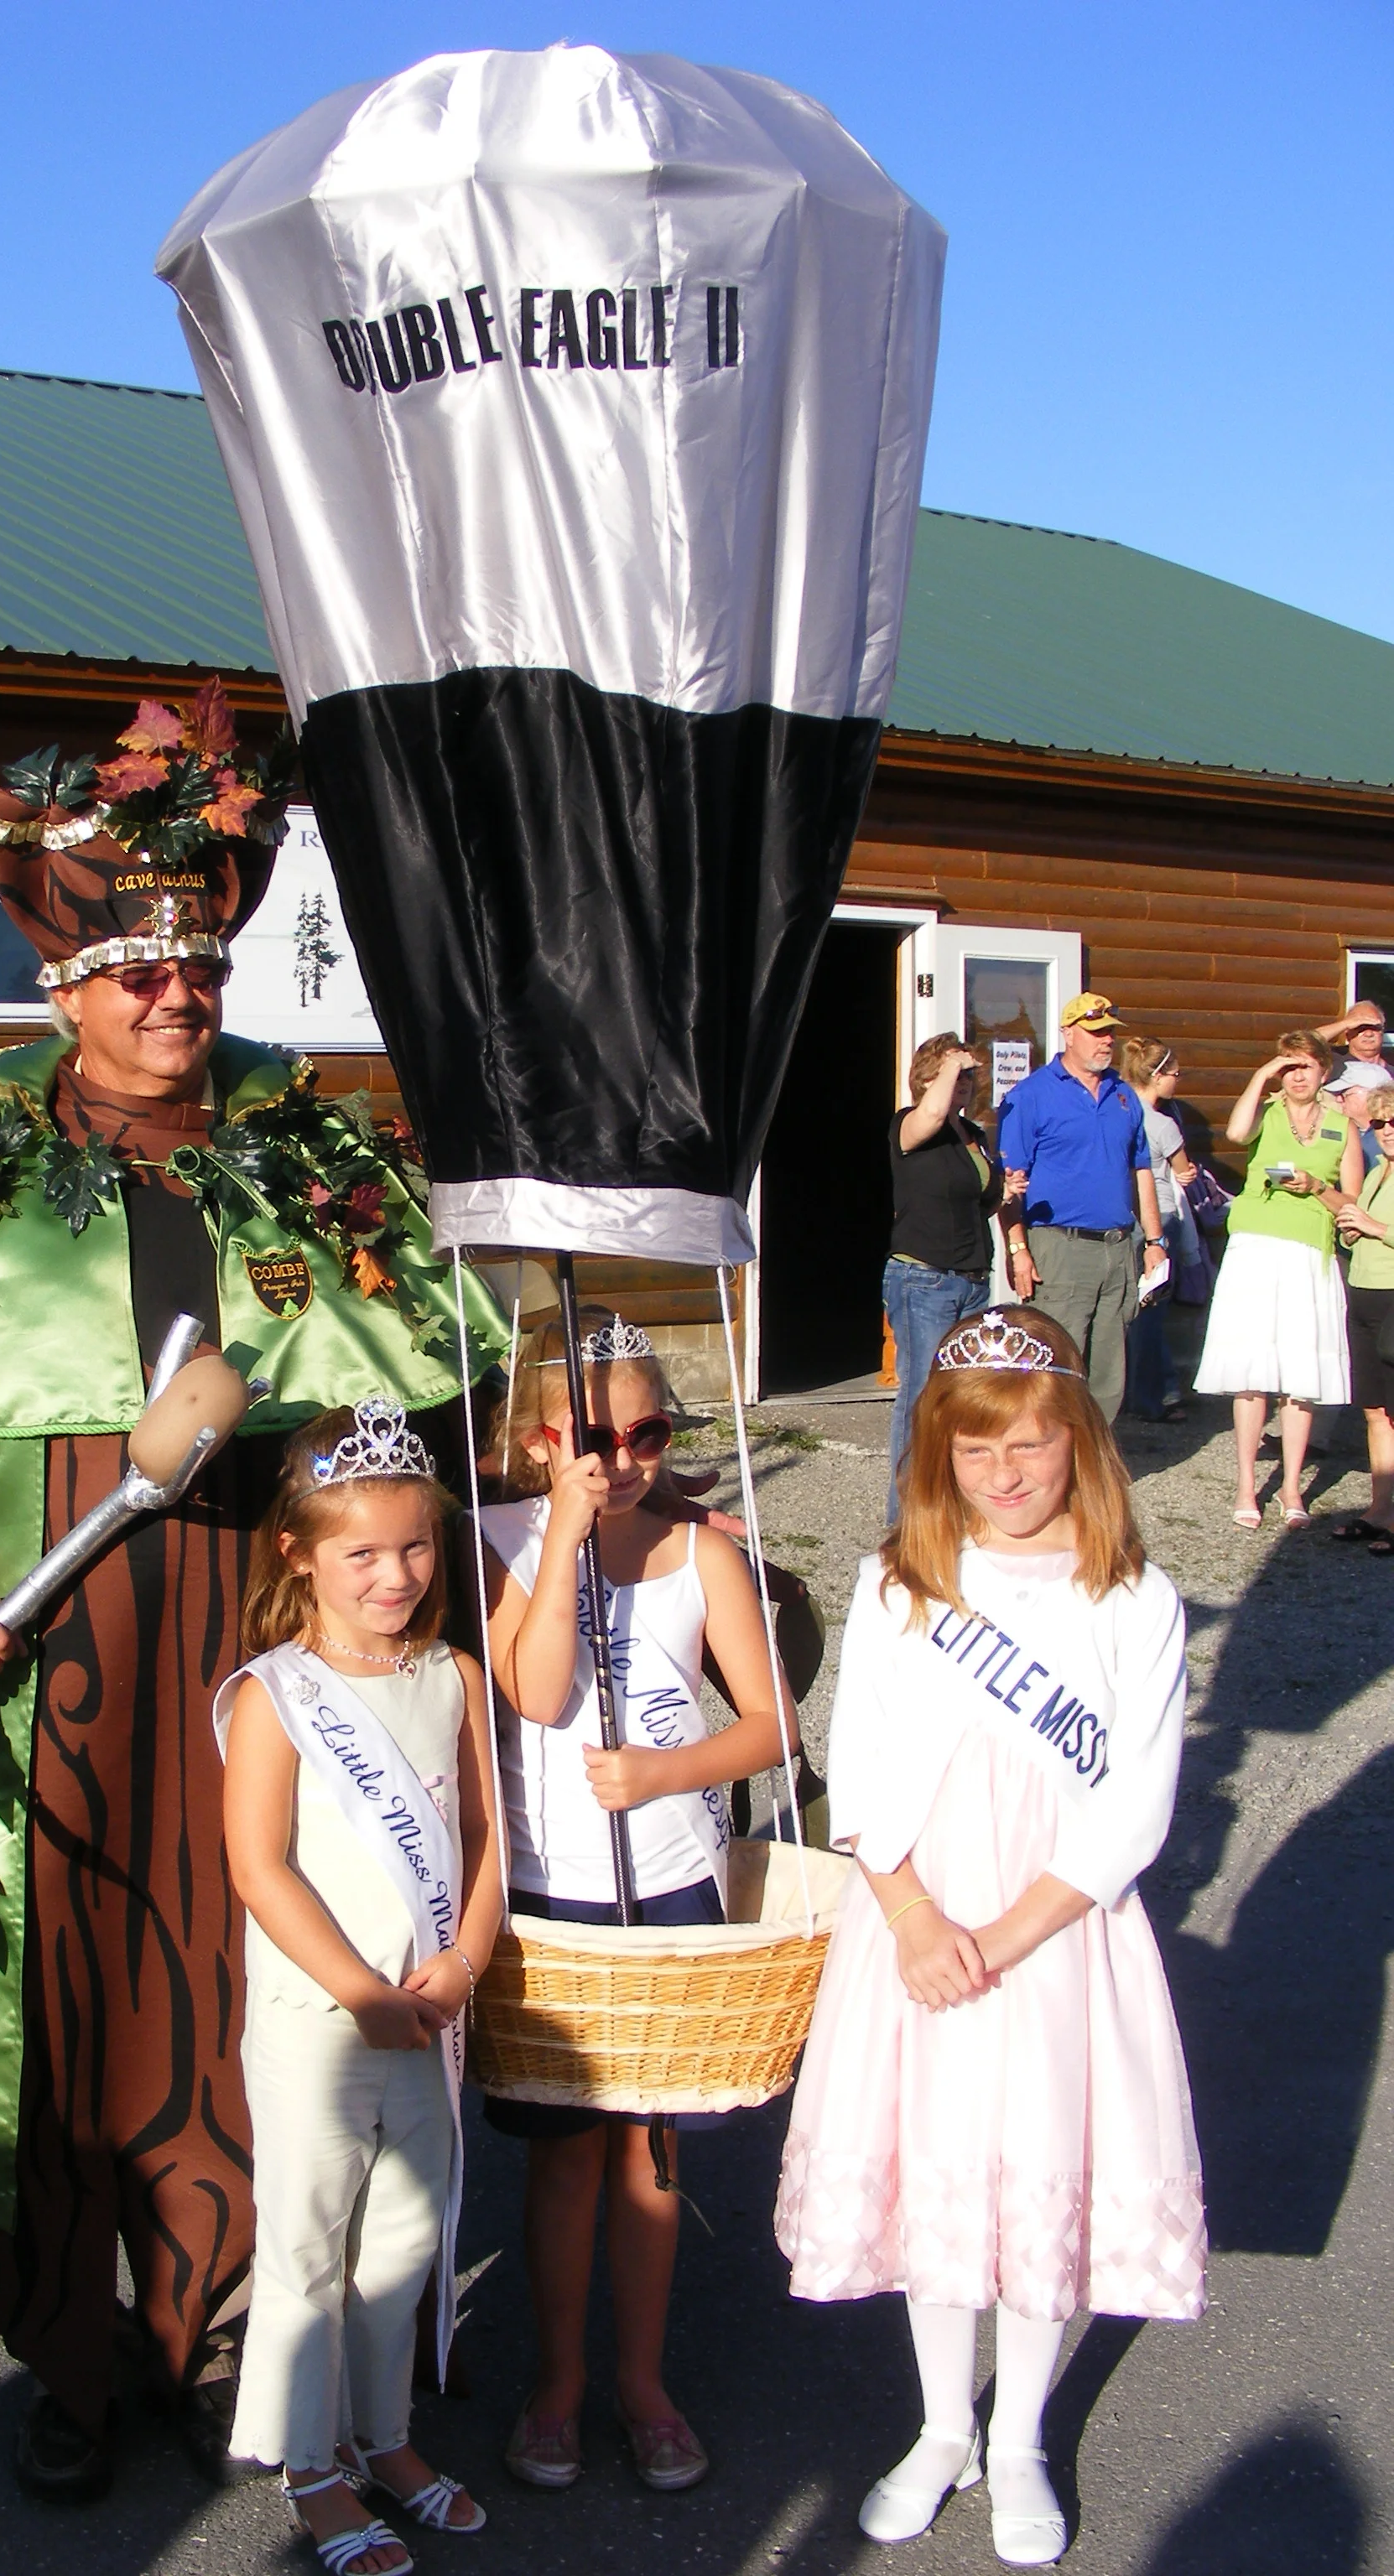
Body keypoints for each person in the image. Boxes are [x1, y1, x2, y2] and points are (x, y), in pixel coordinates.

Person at [0, 699, 502, 2501]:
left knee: (257, 2002)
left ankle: (231, 2330)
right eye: (135, 975)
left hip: (263, 1684)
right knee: (73, 2014)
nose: (175, 1003)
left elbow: (421, 1428)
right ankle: (81, 2365)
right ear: (67, 989)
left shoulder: (316, 1167)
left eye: (195, 972)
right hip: (50, 1690)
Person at [776, 1306, 1204, 2568]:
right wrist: (910, 1918)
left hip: (1054, 1930)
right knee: (937, 2159)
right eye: (976, 1453)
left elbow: (1137, 1803)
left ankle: (1015, 2434)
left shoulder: (1133, 1597)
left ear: (1079, 1439)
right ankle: (936, 2429)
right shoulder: (900, 1580)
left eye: (1030, 1444)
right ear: (937, 1456)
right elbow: (855, 1762)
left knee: (1036, 2160)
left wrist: (1007, 1936)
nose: (1006, 1474)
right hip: (918, 1924)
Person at [477, 1311, 795, 2496]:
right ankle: (558, 2381)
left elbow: (773, 1725)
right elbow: (540, 1689)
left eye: (647, 1433)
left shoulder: (703, 1551)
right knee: (563, 2161)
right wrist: (560, 1534)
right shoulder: (505, 1540)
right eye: (589, 1441)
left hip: (667, 1880)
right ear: (534, 1444)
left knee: (653, 2157)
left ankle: (645, 2380)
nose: (620, 1461)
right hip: (551, 1888)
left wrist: (665, 1770)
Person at [216, 1400, 503, 2576]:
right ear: (299, 1554)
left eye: (417, 1545)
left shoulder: (454, 1676)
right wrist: (356, 1990)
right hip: (317, 2022)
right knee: (308, 2238)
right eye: (363, 1554)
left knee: (404, 2234)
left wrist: (468, 1960)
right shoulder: (276, 1693)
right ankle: (307, 2463)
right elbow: (258, 1864)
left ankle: (385, 2438)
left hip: (431, 2003)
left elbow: (489, 1839)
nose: (397, 1575)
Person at [1194, 1031, 1360, 1530]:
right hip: (1255, 1250)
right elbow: (1236, 1135)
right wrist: (1261, 1076)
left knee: (1300, 1375)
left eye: (1306, 1066)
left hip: (1310, 1251)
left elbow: (1350, 1199)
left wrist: (1317, 1186)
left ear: (1324, 1071)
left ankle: (1291, 1486)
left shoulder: (1342, 1126)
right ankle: (1247, 1484)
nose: (1298, 1076)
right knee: (1252, 1372)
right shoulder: (1266, 1111)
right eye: (1289, 1067)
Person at [996, 993, 1166, 1422]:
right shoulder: (1031, 1095)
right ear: (1068, 1034)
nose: (1105, 1041)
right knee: (1054, 1364)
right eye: (1095, 1032)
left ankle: (1094, 1466)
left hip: (1118, 1247)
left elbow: (1141, 1170)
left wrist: (1154, 1240)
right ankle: (1050, 1465)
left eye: (1109, 1032)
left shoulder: (1123, 1095)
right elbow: (1010, 1183)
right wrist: (1018, 1249)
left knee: (1110, 1373)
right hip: (1060, 1247)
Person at [884, 1032, 1007, 1509]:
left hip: (972, 1278)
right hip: (923, 1278)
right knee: (922, 1395)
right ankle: (907, 1515)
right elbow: (933, 1114)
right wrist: (955, 1059)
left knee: (962, 1393)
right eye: (953, 1074)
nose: (963, 1082)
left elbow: (983, 1200)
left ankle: (952, 1503)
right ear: (928, 1079)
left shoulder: (972, 1135)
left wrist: (1005, 1190)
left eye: (969, 1076)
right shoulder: (910, 1125)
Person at [1118, 1036, 1199, 1424]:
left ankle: (1133, 1391)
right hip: (1159, 1219)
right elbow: (1183, 1172)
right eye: (1176, 1074)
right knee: (1151, 1313)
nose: (1177, 1081)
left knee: (1126, 1311)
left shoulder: (1114, 1108)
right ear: (1157, 1076)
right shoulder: (1163, 1124)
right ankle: (1154, 1396)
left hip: (1121, 1218)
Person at [1329, 1105, 1394, 1551]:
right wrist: (1350, 1231)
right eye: (1380, 1124)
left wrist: (1373, 1226)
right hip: (1364, 1293)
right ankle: (1381, 1510)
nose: (1386, 1132)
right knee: (1374, 1411)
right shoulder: (1375, 1173)